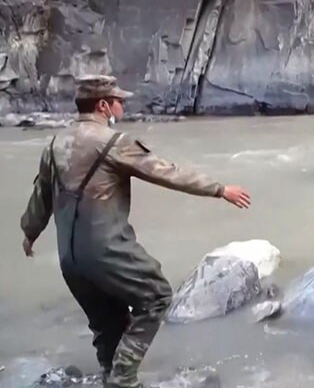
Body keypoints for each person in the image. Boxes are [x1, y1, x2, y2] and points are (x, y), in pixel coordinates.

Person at [20, 76, 251, 388]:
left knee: (106, 322)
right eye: (119, 100)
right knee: (156, 296)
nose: (123, 105)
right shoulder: (115, 143)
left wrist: (30, 233)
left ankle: (109, 377)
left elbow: (41, 197)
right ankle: (123, 379)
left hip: (69, 258)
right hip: (107, 251)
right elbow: (168, 173)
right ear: (103, 105)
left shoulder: (55, 144)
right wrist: (220, 189)